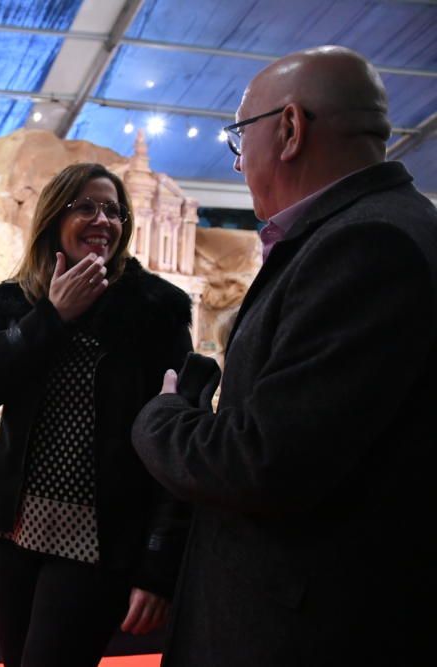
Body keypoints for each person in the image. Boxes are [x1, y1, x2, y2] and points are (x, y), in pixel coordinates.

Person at [131, 46, 437, 665]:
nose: (240, 164)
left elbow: (265, 462)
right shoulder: (387, 227)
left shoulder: (367, 244)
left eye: (241, 137)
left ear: (291, 129)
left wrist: (162, 417)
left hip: (299, 629)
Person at [0, 163, 193, 667]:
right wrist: (52, 318)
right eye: (85, 206)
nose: (102, 219)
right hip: (11, 529)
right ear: (53, 218)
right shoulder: (21, 298)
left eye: (113, 210)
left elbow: (180, 435)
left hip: (98, 539)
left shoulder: (156, 310)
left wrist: (158, 565)